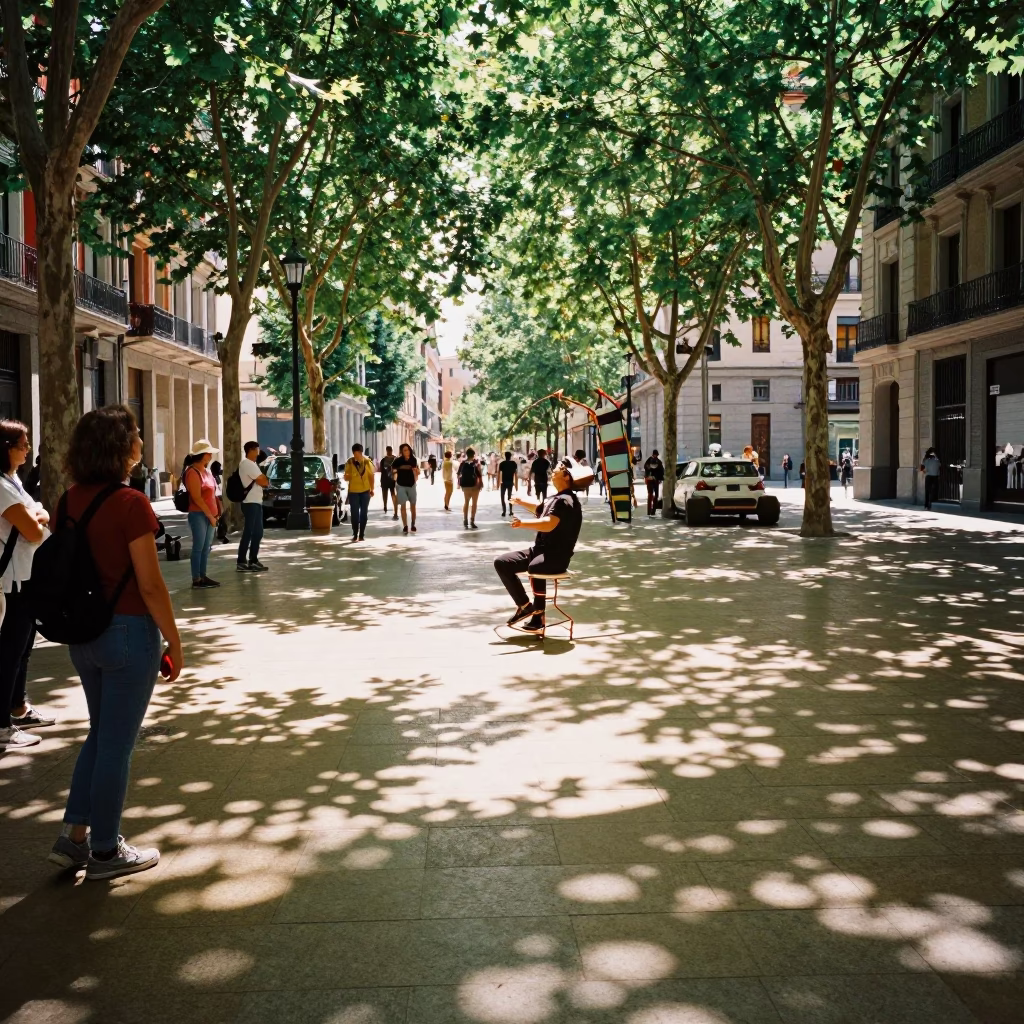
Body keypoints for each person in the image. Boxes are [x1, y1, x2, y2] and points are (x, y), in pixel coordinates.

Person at [48, 405, 183, 881]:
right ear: (122, 448)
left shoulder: (68, 501)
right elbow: (150, 585)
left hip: (82, 634)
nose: (142, 444)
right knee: (117, 745)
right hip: (128, 633)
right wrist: (173, 638)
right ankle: (106, 850)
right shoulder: (131, 504)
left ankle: (74, 838)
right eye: (136, 437)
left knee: (99, 733)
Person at [0, 420, 52, 750]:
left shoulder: (13, 480)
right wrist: (37, 517)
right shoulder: (2, 486)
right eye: (22, 444)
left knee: (22, 647)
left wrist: (37, 515)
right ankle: (3, 726)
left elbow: (40, 515)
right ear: (6, 448)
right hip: (11, 580)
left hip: (25, 575)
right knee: (10, 651)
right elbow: (34, 530)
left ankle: (16, 707)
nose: (28, 449)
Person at [495, 458, 584, 635]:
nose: (553, 470)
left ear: (567, 476)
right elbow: (540, 508)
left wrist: (523, 523)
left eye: (558, 468)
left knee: (536, 566)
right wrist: (521, 502)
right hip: (540, 550)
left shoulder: (566, 501)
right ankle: (525, 606)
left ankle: (539, 614)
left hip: (556, 556)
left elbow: (549, 523)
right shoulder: (557, 498)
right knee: (502, 563)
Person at [184, 439, 221, 588]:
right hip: (199, 514)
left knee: (206, 547)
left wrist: (217, 513)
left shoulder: (207, 471)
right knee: (198, 547)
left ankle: (203, 575)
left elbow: (213, 494)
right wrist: (210, 516)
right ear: (203, 455)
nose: (211, 455)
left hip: (211, 515)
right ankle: (196, 579)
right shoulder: (192, 472)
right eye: (209, 452)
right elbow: (197, 498)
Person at [237, 441, 269, 571]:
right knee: (249, 532)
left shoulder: (253, 464)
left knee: (258, 532)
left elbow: (263, 480)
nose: (259, 452)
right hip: (250, 502)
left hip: (256, 501)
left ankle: (253, 560)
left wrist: (262, 478)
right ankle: (241, 561)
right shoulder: (247, 464)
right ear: (251, 450)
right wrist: (262, 478)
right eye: (257, 449)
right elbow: (264, 481)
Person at [343, 442, 375, 541]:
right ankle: (355, 533)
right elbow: (346, 476)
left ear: (361, 452)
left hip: (365, 491)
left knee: (364, 513)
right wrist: (347, 476)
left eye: (358, 453)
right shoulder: (349, 462)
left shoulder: (367, 462)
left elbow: (371, 476)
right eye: (354, 453)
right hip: (353, 491)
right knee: (355, 514)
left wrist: (372, 489)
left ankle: (361, 534)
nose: (356, 455)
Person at [393, 442, 419, 534]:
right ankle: (405, 526)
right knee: (403, 506)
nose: (406, 451)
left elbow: (416, 470)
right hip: (401, 485)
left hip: (411, 485)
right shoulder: (398, 460)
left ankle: (413, 523)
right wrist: (397, 471)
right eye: (404, 450)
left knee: (413, 506)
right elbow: (393, 470)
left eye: (408, 449)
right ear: (401, 452)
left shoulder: (413, 460)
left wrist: (416, 471)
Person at [459, 446, 483, 528]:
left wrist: (459, 484)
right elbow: (479, 475)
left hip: (465, 486)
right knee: (474, 504)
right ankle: (472, 520)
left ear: (466, 455)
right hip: (474, 486)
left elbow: (459, 474)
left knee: (466, 502)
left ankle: (465, 519)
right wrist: (481, 484)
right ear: (473, 455)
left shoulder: (462, 463)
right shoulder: (476, 464)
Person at [643, 450, 664, 516]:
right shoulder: (651, 461)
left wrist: (659, 478)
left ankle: (652, 511)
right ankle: (650, 511)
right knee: (651, 494)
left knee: (655, 495)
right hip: (651, 480)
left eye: (656, 455)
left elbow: (661, 471)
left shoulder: (657, 462)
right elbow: (661, 471)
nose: (655, 456)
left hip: (654, 480)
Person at [498, 450, 519, 515]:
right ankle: (510, 511)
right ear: (510, 456)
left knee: (502, 496)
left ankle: (504, 511)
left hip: (503, 482)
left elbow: (499, 474)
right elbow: (516, 474)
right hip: (510, 482)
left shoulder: (502, 464)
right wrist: (516, 485)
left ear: (505, 456)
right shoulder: (513, 463)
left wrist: (498, 484)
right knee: (509, 497)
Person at [379, 447, 397, 518]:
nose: (389, 452)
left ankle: (386, 506)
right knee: (390, 493)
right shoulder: (394, 459)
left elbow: (381, 469)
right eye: (388, 451)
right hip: (388, 479)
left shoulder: (384, 460)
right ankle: (386, 506)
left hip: (388, 479)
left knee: (388, 493)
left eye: (389, 451)